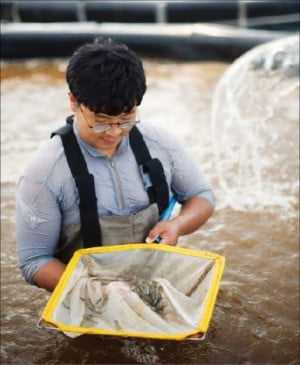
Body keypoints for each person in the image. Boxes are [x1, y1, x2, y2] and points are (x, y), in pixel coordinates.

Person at [16, 39, 215, 292]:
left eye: (126, 118)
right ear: (73, 102)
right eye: (100, 120)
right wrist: (97, 291)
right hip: (85, 296)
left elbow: (201, 195)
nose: (113, 132)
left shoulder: (160, 144)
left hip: (155, 284)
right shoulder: (44, 173)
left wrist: (177, 225)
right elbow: (34, 262)